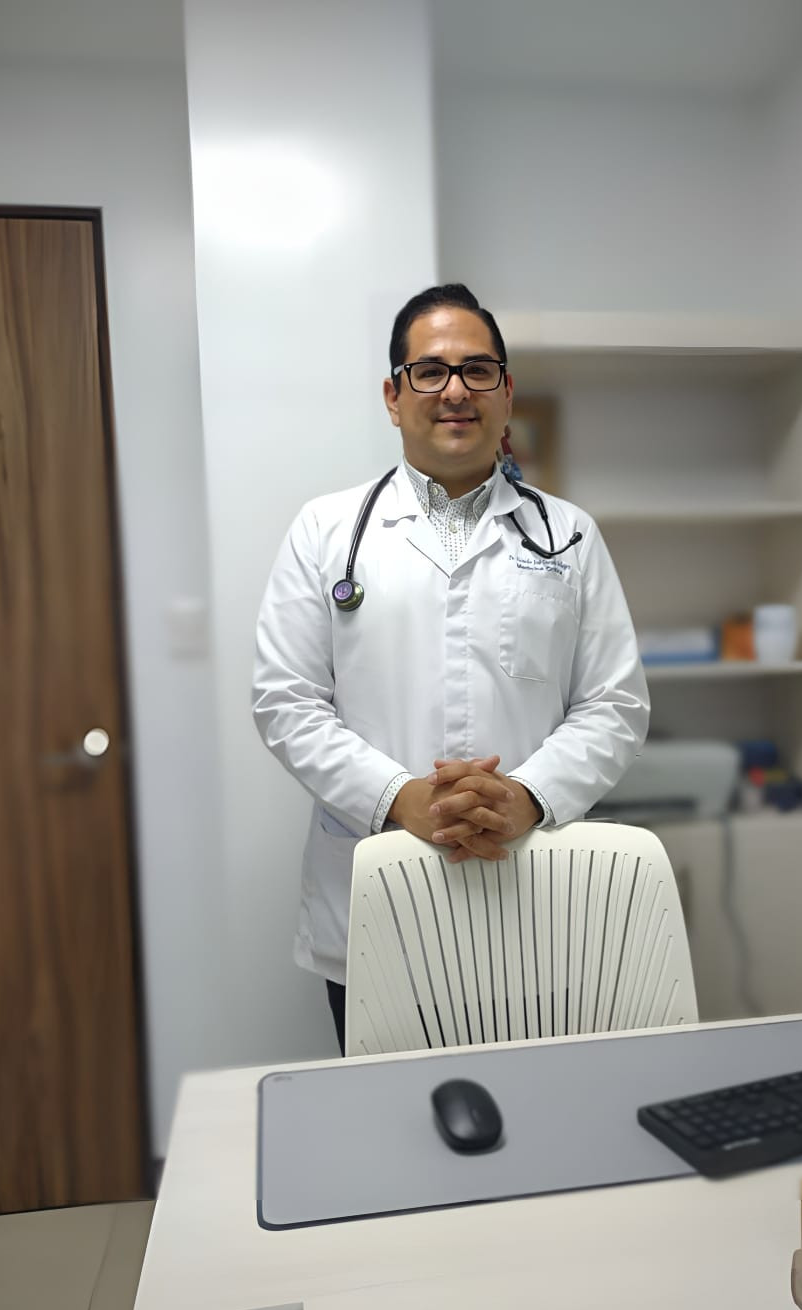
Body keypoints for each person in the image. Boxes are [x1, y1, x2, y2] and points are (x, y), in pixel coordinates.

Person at [252, 284, 649, 1050]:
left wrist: (527, 796)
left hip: (531, 895)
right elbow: (286, 702)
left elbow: (614, 705)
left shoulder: (570, 537)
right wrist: (398, 798)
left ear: (506, 393)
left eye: (477, 370)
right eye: (430, 371)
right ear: (393, 396)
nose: (456, 390)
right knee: (391, 1114)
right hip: (378, 895)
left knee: (539, 1107)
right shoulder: (325, 531)